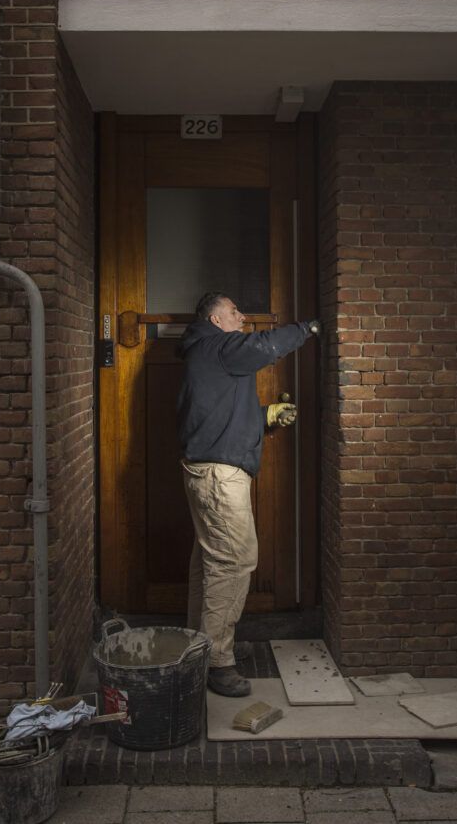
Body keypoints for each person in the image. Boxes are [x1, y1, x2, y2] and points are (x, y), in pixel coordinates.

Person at [176, 291, 321, 697]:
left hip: (207, 471)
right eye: (235, 312)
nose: (242, 317)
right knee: (235, 560)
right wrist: (308, 329)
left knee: (210, 561)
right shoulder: (216, 345)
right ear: (215, 319)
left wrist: (267, 417)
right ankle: (217, 662)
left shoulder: (206, 353)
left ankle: (195, 648)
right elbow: (264, 345)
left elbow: (219, 417)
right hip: (220, 478)